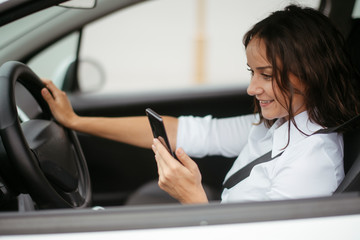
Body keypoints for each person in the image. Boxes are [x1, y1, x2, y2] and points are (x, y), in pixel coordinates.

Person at [41, 5, 360, 204]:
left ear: (309, 75)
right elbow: (189, 131)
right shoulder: (279, 125)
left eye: (266, 75)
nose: (252, 88)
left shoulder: (311, 161)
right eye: (252, 72)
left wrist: (193, 200)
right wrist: (75, 121)